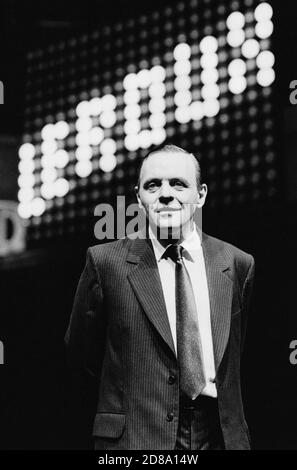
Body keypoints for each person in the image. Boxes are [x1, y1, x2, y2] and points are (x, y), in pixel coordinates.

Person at [65, 144, 255, 450]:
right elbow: (81, 355)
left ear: (201, 194)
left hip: (220, 435)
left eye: (178, 183)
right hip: (136, 438)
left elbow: (237, 355)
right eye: (153, 185)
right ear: (139, 197)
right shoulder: (105, 262)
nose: (166, 194)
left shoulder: (236, 263)